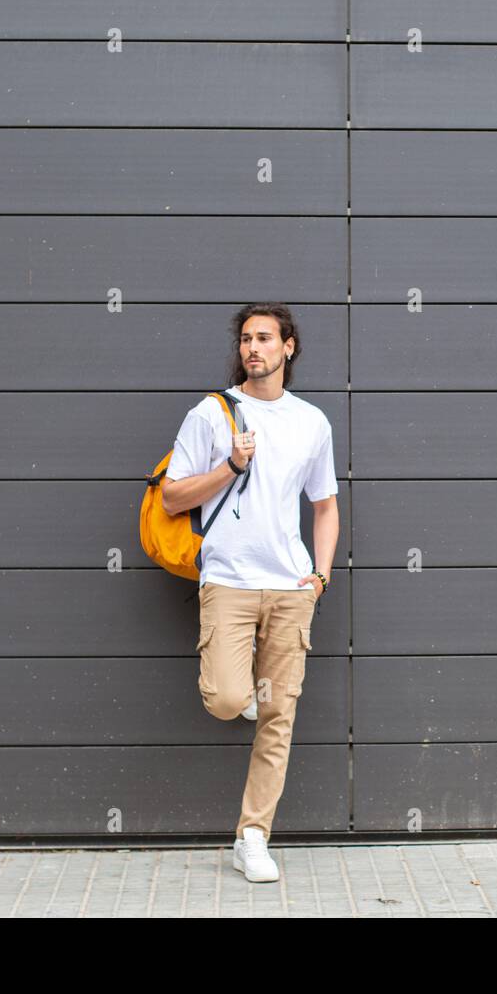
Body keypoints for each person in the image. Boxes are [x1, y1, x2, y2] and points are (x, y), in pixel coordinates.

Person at [161, 304, 339, 882]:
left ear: (289, 347)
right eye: (245, 339)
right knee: (226, 699)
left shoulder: (311, 421)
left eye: (264, 338)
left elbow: (325, 505)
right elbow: (171, 498)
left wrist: (320, 576)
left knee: (279, 718)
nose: (252, 347)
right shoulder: (210, 415)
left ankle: (254, 835)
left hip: (289, 589)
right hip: (229, 584)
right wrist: (230, 466)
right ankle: (248, 702)